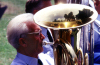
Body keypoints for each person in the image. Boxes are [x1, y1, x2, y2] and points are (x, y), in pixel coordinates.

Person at [25, 0, 54, 65]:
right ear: (36, 13)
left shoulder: (46, 29)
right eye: (49, 10)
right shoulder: (31, 38)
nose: (53, 13)